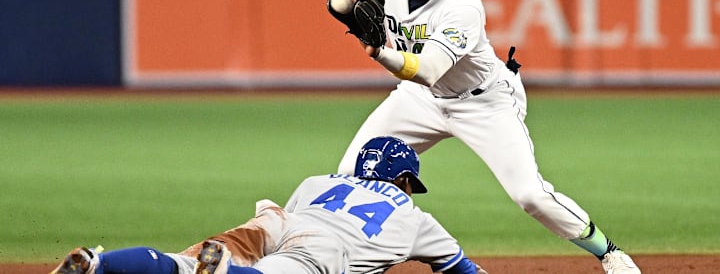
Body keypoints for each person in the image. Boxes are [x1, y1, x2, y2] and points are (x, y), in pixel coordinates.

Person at [237, 0, 642, 274]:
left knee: (530, 195)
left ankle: (608, 252)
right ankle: (342, 264)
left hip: (482, 102)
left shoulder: (461, 5)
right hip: (419, 101)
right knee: (349, 179)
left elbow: (429, 71)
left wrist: (379, 52)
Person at [50, 136, 487, 274]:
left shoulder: (321, 179)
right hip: (321, 248)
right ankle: (225, 271)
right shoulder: (415, 216)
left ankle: (97, 265)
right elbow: (460, 270)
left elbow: (291, 219)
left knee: (180, 267)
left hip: (278, 219)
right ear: (405, 180)